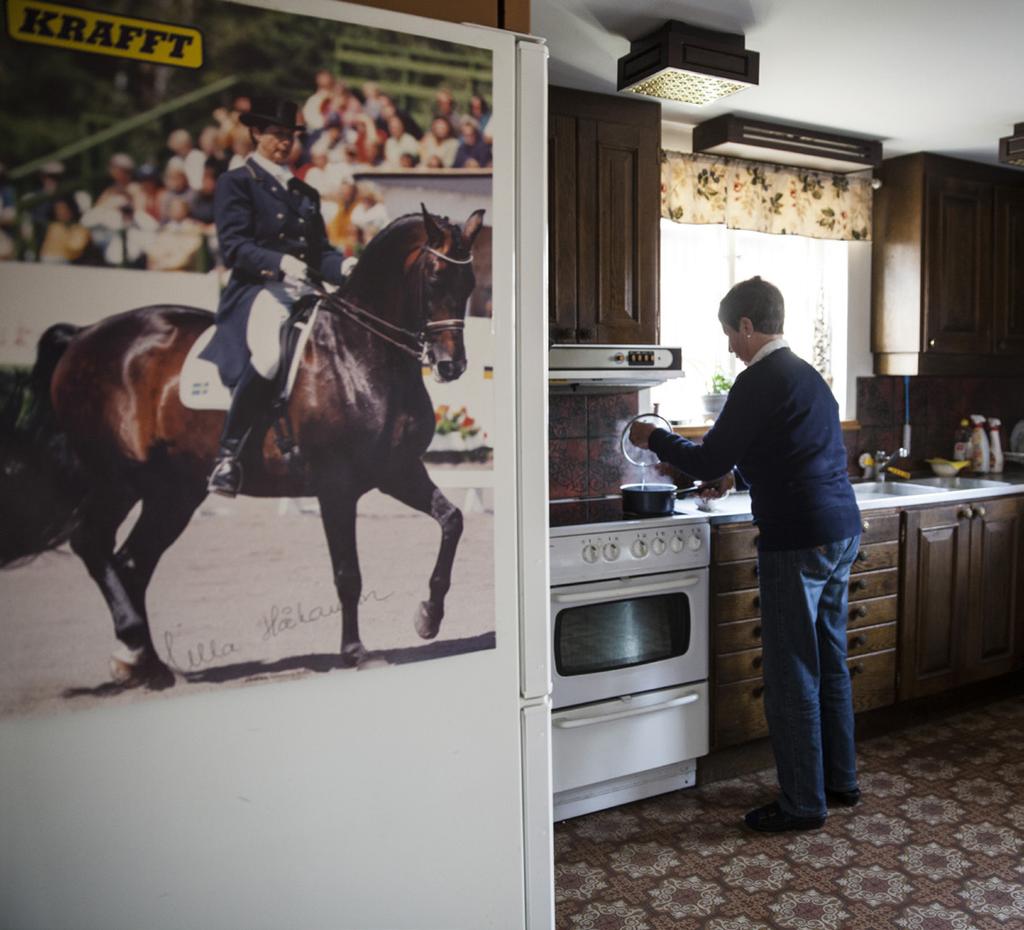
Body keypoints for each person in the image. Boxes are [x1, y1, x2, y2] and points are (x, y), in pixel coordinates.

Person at [629, 276, 863, 834]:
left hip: (797, 538)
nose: (730, 346)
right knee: (829, 661)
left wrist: (653, 437)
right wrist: (738, 476)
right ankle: (839, 781)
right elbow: (790, 449)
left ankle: (803, 805)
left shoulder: (758, 380)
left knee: (791, 673)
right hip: (841, 532)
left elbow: (707, 457)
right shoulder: (807, 376)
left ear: (748, 326)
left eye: (730, 334)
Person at [199, 95, 346, 497]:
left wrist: (346, 266)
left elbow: (321, 253)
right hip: (260, 290)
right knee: (269, 356)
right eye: (277, 135)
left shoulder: (304, 192)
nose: (284, 143)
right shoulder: (237, 182)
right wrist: (281, 263)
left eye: (290, 136)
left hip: (305, 289)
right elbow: (235, 247)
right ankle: (227, 456)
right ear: (257, 134)